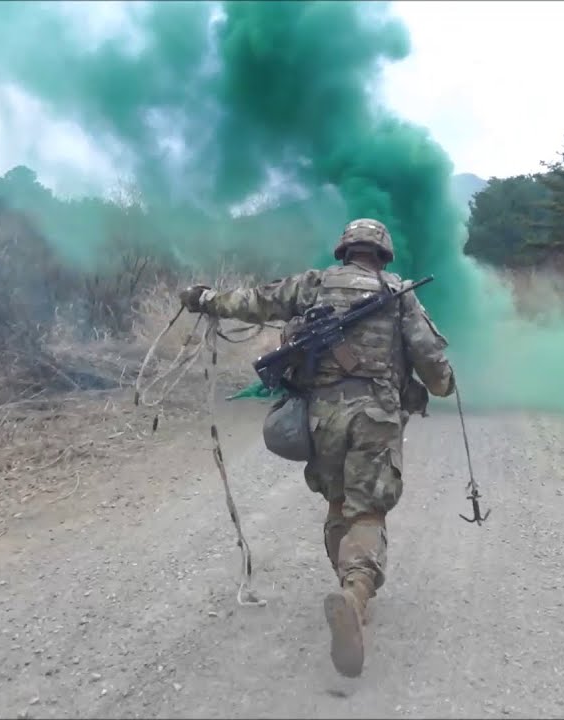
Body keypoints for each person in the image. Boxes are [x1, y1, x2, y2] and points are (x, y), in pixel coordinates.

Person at [178, 217, 456, 678]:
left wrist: (204, 299)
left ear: (344, 250)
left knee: (338, 503)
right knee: (367, 512)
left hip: (321, 418)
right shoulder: (398, 294)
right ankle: (356, 591)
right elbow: (431, 364)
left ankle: (348, 588)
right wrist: (445, 384)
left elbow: (253, 302)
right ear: (382, 254)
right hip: (376, 419)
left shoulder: (312, 285)